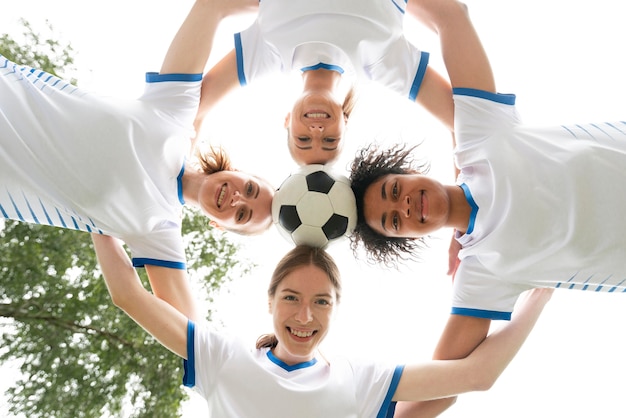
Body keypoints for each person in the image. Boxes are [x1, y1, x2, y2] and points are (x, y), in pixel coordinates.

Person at [349, 0, 626, 416]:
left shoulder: (478, 135)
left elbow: (450, 16)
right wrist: (536, 303)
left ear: (406, 172)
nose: (404, 205)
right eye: (393, 221)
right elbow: (448, 385)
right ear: (408, 238)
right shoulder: (482, 273)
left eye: (393, 190)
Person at [0, 0, 272, 320]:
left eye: (241, 215)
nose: (238, 198)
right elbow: (213, 7)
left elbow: (192, 332)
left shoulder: (159, 230)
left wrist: (101, 222)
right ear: (240, 171)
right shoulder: (175, 115)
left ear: (219, 226)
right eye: (251, 189)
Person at [92, 233, 552, 417]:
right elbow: (128, 293)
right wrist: (100, 220)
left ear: (336, 308)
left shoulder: (357, 379)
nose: (304, 316)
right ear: (270, 300)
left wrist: (541, 290)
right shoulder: (224, 356)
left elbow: (474, 377)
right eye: (291, 298)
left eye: (320, 302)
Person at [193, 0, 455, 166]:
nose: (317, 130)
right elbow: (462, 121)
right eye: (330, 140)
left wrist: (177, 190)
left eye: (303, 139)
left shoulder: (266, 52)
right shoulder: (381, 61)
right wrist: (460, 221)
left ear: (286, 121)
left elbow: (192, 109)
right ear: (345, 122)